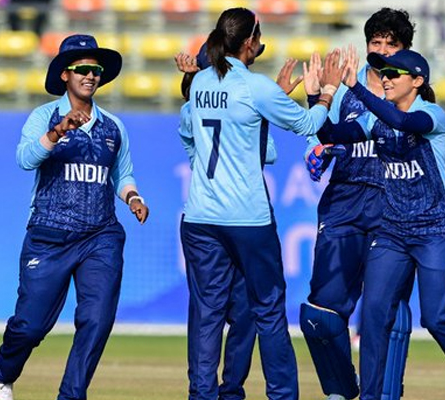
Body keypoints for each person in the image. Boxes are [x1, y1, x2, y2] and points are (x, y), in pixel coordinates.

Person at [178, 7, 343, 400]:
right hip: (247, 219)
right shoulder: (256, 87)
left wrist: (203, 170)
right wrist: (328, 91)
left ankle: (202, 395)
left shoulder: (199, 83)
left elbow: (192, 132)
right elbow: (308, 125)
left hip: (200, 216)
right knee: (267, 309)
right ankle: (281, 395)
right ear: (250, 42)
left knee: (206, 313)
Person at [321, 45, 445, 400]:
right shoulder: (374, 120)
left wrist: (355, 87)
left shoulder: (432, 114)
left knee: (436, 318)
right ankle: (370, 396)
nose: (385, 79)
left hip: (435, 230)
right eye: (381, 73)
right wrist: (320, 95)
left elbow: (402, 123)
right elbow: (331, 135)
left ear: (417, 81)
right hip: (392, 231)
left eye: (392, 74)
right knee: (374, 314)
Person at [0, 34, 149, 400]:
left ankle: (71, 395)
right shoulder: (44, 117)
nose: (90, 76)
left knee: (97, 320)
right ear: (65, 74)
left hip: (100, 235)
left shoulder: (113, 126)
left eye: (96, 70)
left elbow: (122, 174)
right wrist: (58, 131)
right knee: (30, 326)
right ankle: (1, 374)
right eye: (82, 69)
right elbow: (25, 159)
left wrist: (133, 197)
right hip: (50, 235)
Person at [299, 9, 416, 400]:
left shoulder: (414, 92)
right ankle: (341, 391)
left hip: (393, 204)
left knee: (389, 311)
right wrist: (316, 150)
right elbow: (320, 135)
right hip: (344, 201)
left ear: (405, 49)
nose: (381, 50)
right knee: (320, 314)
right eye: (375, 42)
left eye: (391, 44)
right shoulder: (344, 88)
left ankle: (382, 395)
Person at [174, 42, 299, 400]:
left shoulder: (196, 105)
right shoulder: (205, 106)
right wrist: (267, 105)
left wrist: (261, 109)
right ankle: (227, 390)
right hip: (242, 216)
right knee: (244, 312)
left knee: (217, 313)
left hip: (207, 216)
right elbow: (268, 153)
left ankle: (211, 392)